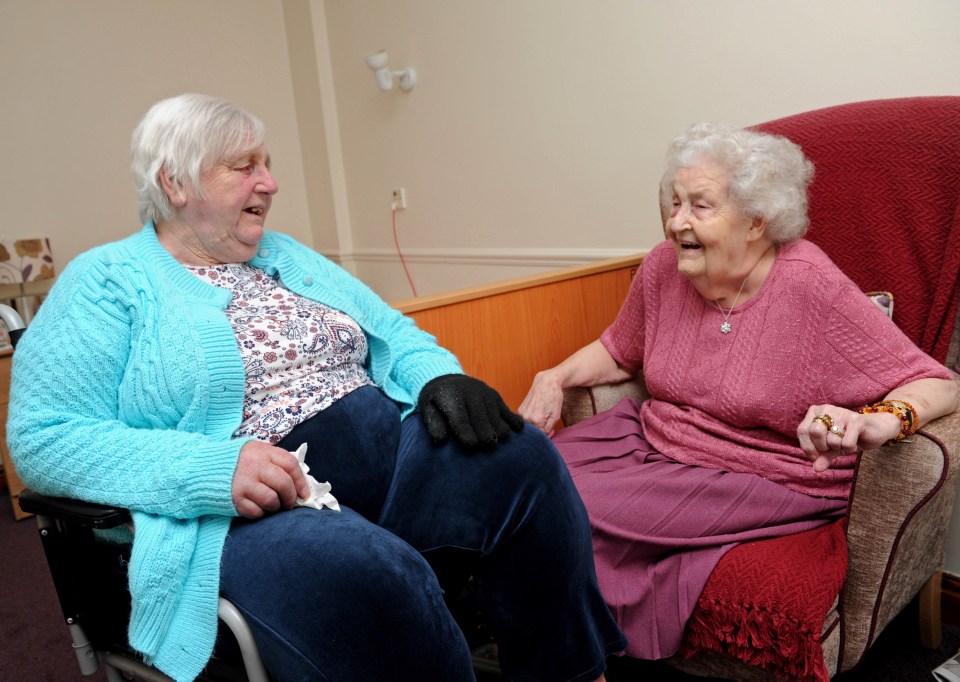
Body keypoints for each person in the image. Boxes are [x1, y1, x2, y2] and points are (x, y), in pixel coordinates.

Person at [8, 93, 626, 682]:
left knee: (521, 461)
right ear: (175, 183)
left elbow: (390, 331)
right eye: (244, 166)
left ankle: (570, 675)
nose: (270, 182)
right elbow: (41, 436)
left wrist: (440, 376)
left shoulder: (285, 254)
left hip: (390, 461)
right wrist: (211, 468)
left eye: (268, 163)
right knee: (370, 578)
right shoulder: (106, 283)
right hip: (254, 508)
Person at [519, 122, 958, 662]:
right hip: (658, 444)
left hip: (764, 472)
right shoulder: (662, 268)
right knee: (519, 469)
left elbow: (937, 382)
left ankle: (565, 654)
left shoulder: (808, 285)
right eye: (674, 201)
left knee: (560, 502)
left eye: (699, 206)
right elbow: (618, 350)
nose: (675, 220)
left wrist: (885, 419)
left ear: (755, 222)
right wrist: (554, 377)